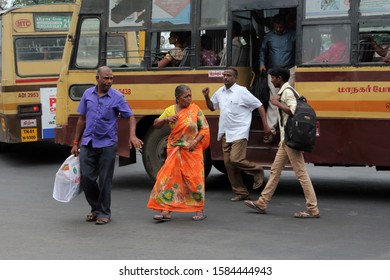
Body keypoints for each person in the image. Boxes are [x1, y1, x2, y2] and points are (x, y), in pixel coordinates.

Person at [244, 67, 320, 218]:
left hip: (290, 140)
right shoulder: (286, 92)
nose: (271, 81)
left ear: (279, 78)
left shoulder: (287, 92)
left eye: (273, 78)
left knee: (301, 174)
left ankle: (312, 208)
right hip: (286, 140)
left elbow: (293, 110)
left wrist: (276, 103)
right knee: (275, 171)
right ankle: (262, 202)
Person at [71, 66, 143, 225]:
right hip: (88, 142)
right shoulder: (87, 94)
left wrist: (132, 135)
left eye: (111, 78)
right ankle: (95, 208)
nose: (109, 81)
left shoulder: (117, 97)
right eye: (106, 78)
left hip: (107, 144)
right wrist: (76, 142)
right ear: (97, 79)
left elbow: (130, 116)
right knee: (86, 178)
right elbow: (81, 119)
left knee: (105, 180)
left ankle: (103, 212)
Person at [202, 67, 272, 201]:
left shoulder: (242, 92)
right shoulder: (220, 92)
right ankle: (241, 192)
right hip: (225, 132)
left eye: (228, 75)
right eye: (224, 75)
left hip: (239, 131)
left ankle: (257, 170)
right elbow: (212, 107)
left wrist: (265, 126)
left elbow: (259, 106)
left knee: (235, 159)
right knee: (228, 163)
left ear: (235, 78)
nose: (225, 77)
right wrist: (206, 96)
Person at [147, 85, 210, 222]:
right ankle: (166, 210)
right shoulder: (170, 110)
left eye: (190, 96)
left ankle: (199, 209)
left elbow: (204, 129)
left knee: (194, 180)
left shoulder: (195, 110)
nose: (189, 99)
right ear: (177, 98)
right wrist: (165, 120)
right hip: (175, 150)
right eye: (186, 96)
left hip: (192, 152)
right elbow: (156, 124)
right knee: (169, 180)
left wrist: (195, 142)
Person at [259, 13, 296, 143]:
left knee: (287, 99)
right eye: (276, 27)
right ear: (273, 26)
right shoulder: (269, 36)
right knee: (273, 100)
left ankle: (288, 131)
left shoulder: (293, 34)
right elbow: (263, 51)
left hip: (289, 70)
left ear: (284, 25)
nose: (279, 29)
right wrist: (262, 64)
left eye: (281, 26)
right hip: (273, 72)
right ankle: (270, 130)